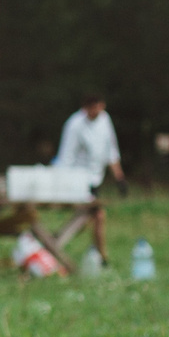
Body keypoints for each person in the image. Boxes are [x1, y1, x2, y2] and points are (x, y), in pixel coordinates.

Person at [57, 94, 125, 258]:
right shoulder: (75, 124)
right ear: (85, 108)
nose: (96, 111)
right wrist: (62, 182)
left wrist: (120, 178)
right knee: (96, 216)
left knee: (92, 217)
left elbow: (111, 150)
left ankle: (55, 243)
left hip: (96, 179)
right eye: (92, 108)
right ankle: (101, 257)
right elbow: (65, 157)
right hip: (78, 180)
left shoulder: (104, 120)